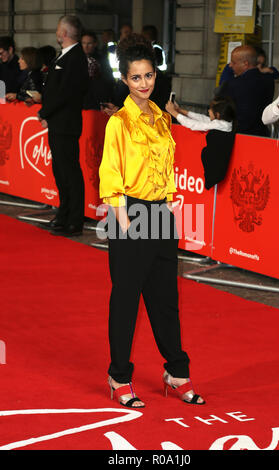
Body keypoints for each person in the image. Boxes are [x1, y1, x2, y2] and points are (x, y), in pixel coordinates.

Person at [99, 33, 205, 408]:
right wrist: (123, 220)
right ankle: (118, 376)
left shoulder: (160, 118)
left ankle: (177, 372)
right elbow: (110, 173)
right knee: (126, 300)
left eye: (149, 76)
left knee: (165, 300)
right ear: (125, 80)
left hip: (161, 214)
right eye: (136, 78)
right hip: (130, 213)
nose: (144, 84)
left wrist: (170, 206)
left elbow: (168, 166)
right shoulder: (120, 122)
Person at [38, 15, 89, 237]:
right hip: (58, 122)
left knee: (69, 171)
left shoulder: (76, 57)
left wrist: (44, 111)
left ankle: (74, 220)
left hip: (66, 123)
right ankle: (63, 214)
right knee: (60, 170)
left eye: (59, 28)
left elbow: (66, 93)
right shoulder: (65, 56)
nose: (57, 32)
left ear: (64, 33)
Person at [166, 96, 236, 189]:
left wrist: (173, 113)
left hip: (214, 169)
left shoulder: (220, 125)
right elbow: (203, 119)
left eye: (210, 109)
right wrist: (180, 110)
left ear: (218, 114)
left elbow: (194, 125)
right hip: (215, 168)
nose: (208, 111)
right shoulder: (225, 123)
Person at [220, 45, 274, 136]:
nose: (230, 65)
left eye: (233, 62)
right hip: (262, 135)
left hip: (238, 136)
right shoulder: (269, 80)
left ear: (245, 64)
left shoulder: (233, 84)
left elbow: (222, 108)